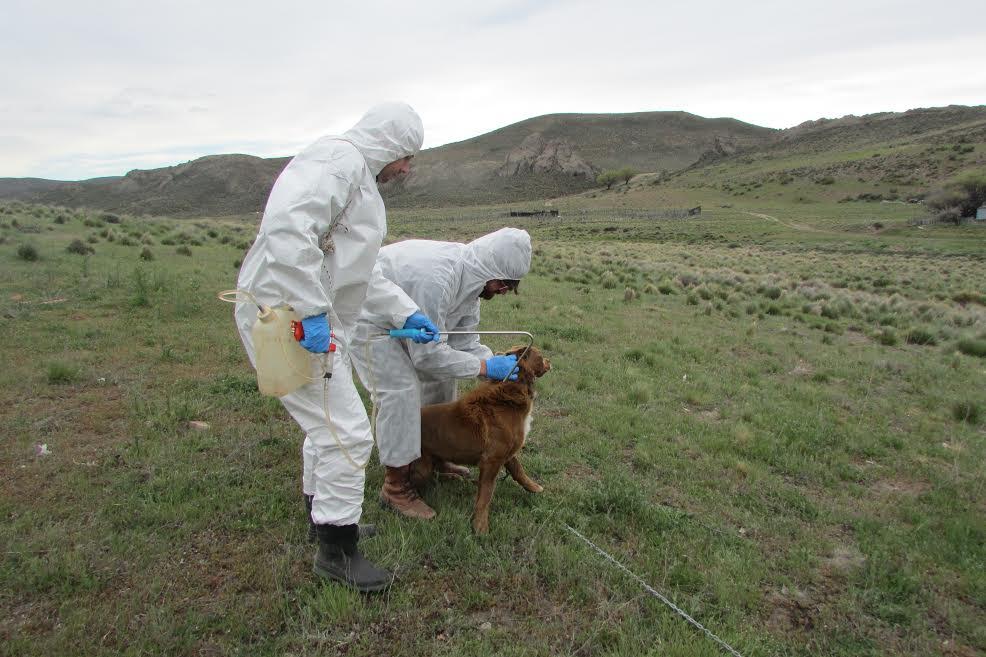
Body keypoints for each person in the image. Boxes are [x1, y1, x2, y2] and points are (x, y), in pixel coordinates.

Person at [233, 102, 441, 593]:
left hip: (306, 317)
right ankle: (337, 552)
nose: (407, 168)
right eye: (407, 156)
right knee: (346, 432)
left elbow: (355, 272)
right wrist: (310, 311)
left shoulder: (356, 179)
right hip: (291, 320)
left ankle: (324, 521)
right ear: (389, 144)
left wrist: (404, 311)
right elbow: (287, 231)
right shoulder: (337, 163)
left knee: (326, 425)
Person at [347, 227, 533, 519]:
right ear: (488, 268)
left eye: (509, 287)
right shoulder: (439, 278)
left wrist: (494, 362)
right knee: (401, 390)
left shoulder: (471, 290)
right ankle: (395, 487)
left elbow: (464, 343)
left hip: (404, 324)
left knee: (445, 380)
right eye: (502, 283)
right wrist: (484, 368)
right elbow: (427, 357)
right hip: (369, 321)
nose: (503, 291)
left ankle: (438, 454)